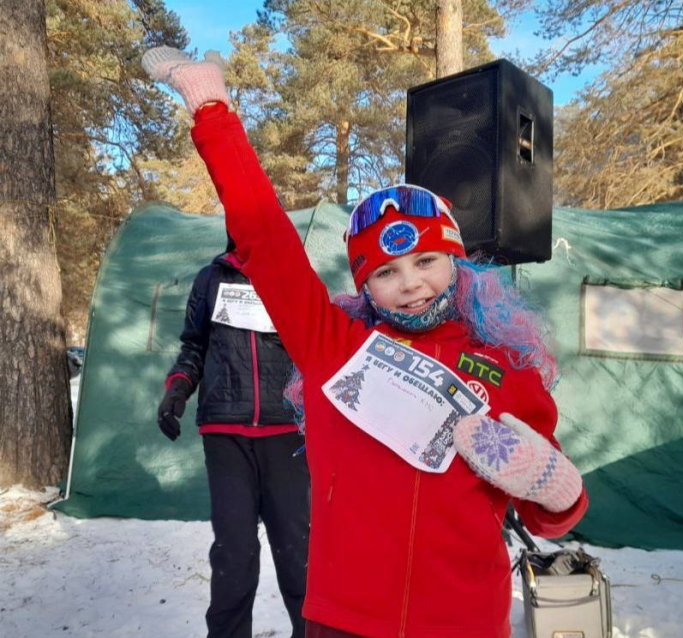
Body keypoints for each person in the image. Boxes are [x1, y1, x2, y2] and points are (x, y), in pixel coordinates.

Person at [143, 46, 588, 638]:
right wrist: (213, 110)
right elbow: (264, 236)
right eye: (385, 271)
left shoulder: (507, 366)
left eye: (426, 260)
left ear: (457, 261)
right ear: (364, 284)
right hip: (343, 619)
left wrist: (556, 488)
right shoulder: (335, 348)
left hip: (463, 622)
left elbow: (546, 513)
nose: (410, 284)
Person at [156, 233, 309, 638]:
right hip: (226, 433)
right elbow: (194, 345)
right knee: (234, 556)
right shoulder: (210, 279)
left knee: (299, 555)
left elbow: (316, 346)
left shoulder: (294, 276)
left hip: (286, 432)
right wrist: (178, 388)